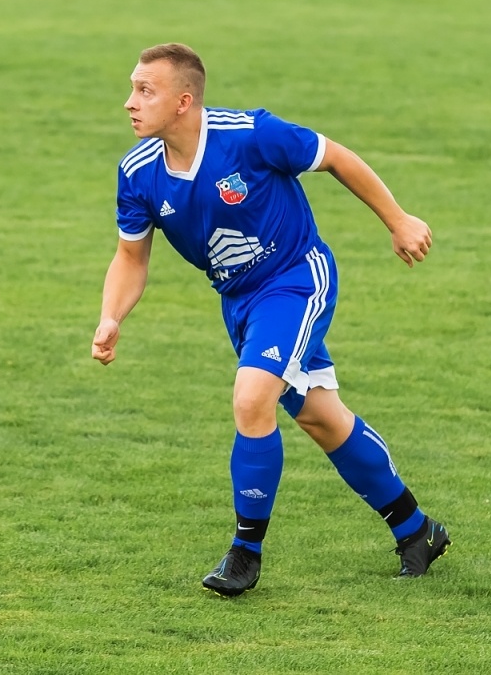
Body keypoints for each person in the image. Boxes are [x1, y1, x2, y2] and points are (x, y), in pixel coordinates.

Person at [90, 44, 448, 596]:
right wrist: (111, 316)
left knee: (251, 397)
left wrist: (398, 220)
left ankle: (245, 554)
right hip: (240, 302)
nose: (129, 102)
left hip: (296, 280)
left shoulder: (251, 135)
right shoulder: (138, 173)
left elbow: (335, 156)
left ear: (183, 101)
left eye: (145, 91)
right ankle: (416, 529)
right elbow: (131, 258)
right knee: (322, 419)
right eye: (132, 89)